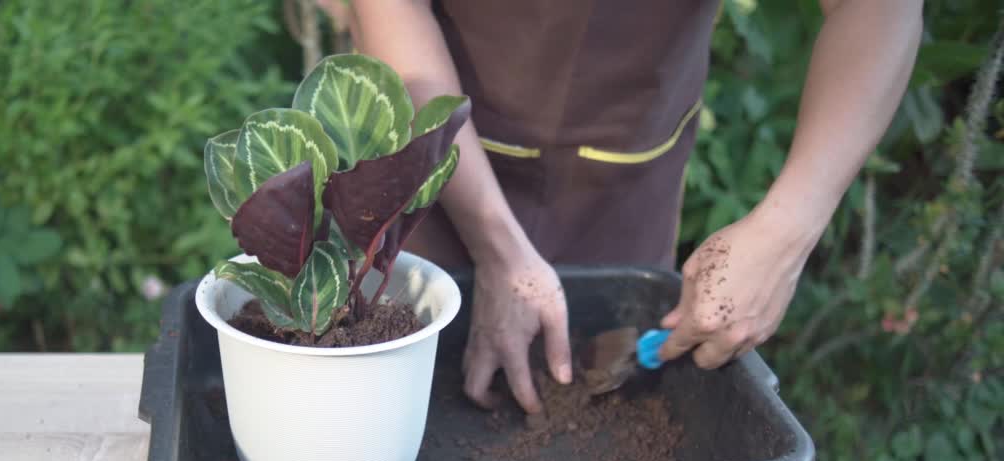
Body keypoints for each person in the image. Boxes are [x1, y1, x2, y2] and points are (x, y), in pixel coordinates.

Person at [348, 0, 923, 414]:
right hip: (432, 159)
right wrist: (496, 246)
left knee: (618, 405)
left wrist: (785, 230)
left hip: (627, 179)